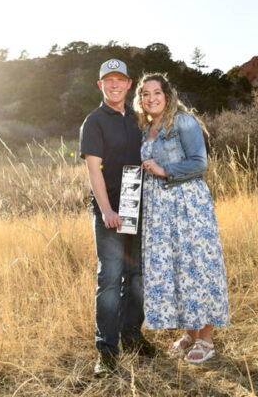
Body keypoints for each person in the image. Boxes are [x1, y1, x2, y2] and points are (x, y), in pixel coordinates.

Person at [133, 73, 229, 364]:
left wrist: (164, 170)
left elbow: (200, 163)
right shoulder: (147, 128)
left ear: (167, 95)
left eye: (156, 93)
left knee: (196, 265)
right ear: (140, 100)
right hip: (160, 213)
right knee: (177, 269)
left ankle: (206, 338)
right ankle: (190, 332)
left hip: (187, 205)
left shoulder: (183, 121)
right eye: (145, 94)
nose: (151, 98)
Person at [79, 59, 158, 378]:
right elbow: (92, 169)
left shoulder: (139, 119)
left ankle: (132, 336)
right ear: (100, 85)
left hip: (138, 207)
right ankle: (107, 351)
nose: (114, 85)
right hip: (110, 210)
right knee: (110, 280)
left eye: (120, 80)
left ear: (129, 84)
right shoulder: (94, 121)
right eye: (107, 80)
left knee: (137, 277)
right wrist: (107, 209)